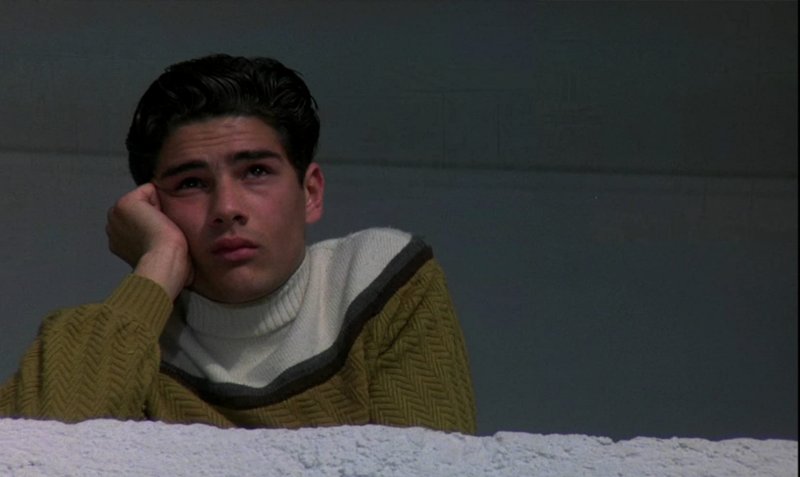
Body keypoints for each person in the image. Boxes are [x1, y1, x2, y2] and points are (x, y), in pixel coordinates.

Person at [0, 54, 477, 434]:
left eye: (256, 171)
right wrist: (158, 263)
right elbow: (37, 456)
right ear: (153, 209)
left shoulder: (380, 281)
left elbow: (428, 462)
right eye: (190, 183)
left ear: (310, 193)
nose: (227, 207)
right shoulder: (129, 343)